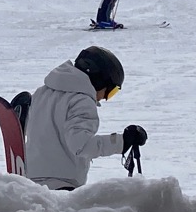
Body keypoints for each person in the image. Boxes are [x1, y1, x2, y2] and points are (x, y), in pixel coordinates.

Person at [22, 46, 145, 190]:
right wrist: (123, 142)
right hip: (61, 185)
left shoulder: (42, 92)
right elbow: (81, 145)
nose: (104, 99)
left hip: (30, 183)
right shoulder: (82, 101)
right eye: (110, 92)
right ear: (99, 81)